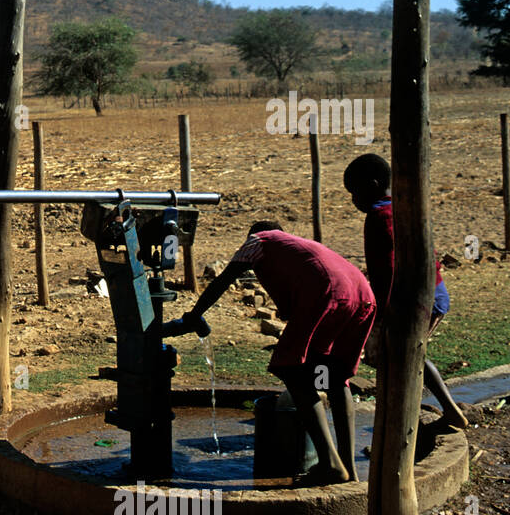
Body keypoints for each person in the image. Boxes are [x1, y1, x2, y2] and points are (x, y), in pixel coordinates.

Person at [171, 221, 376, 486]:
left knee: (290, 369)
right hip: (362, 292)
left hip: (328, 292)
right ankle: (348, 469)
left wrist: (193, 315)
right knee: (333, 378)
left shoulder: (258, 240)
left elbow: (223, 280)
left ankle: (330, 464)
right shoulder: (296, 247)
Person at [343, 153, 469, 430]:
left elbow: (388, 271)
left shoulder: (379, 216)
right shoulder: (404, 207)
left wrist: (381, 316)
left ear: (373, 185)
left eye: (354, 192)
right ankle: (417, 417)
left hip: (411, 299)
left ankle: (403, 425)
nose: (353, 200)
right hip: (431, 294)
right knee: (404, 356)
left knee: (401, 357)